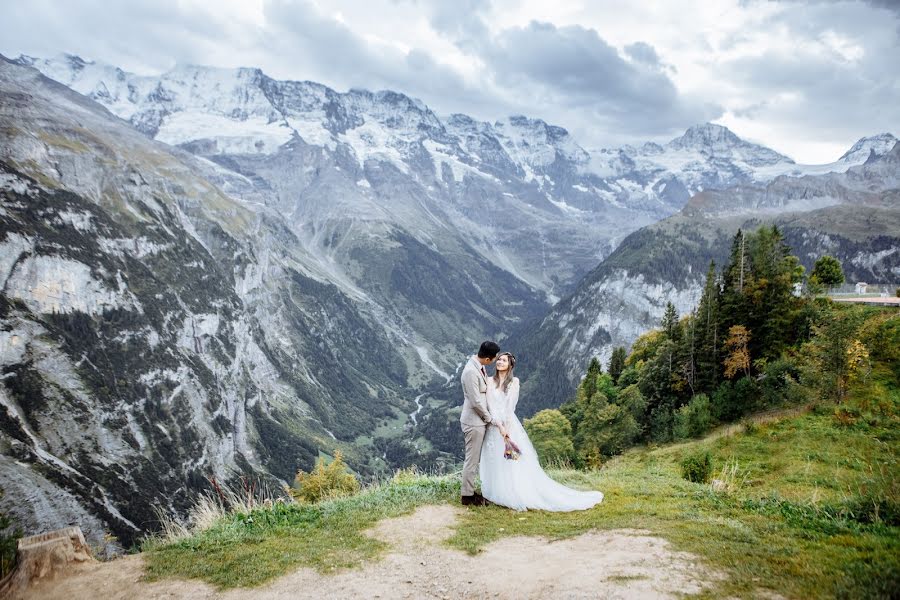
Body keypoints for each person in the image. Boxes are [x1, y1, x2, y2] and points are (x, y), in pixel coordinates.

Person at [479, 352, 604, 511]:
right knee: (495, 459)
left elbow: (510, 408)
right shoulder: (489, 381)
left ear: (510, 365)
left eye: (504, 360)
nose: (500, 362)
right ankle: (497, 491)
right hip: (494, 425)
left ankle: (515, 492)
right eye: (499, 360)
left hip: (509, 424)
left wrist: (506, 430)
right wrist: (498, 425)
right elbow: (490, 405)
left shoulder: (514, 382)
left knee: (511, 460)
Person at [459, 340, 500, 506]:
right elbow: (476, 402)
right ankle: (467, 496)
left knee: (474, 458)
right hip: (474, 422)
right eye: (495, 358)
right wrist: (489, 418)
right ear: (488, 359)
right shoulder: (470, 371)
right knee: (472, 459)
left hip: (477, 421)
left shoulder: (478, 366)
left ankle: (470, 491)